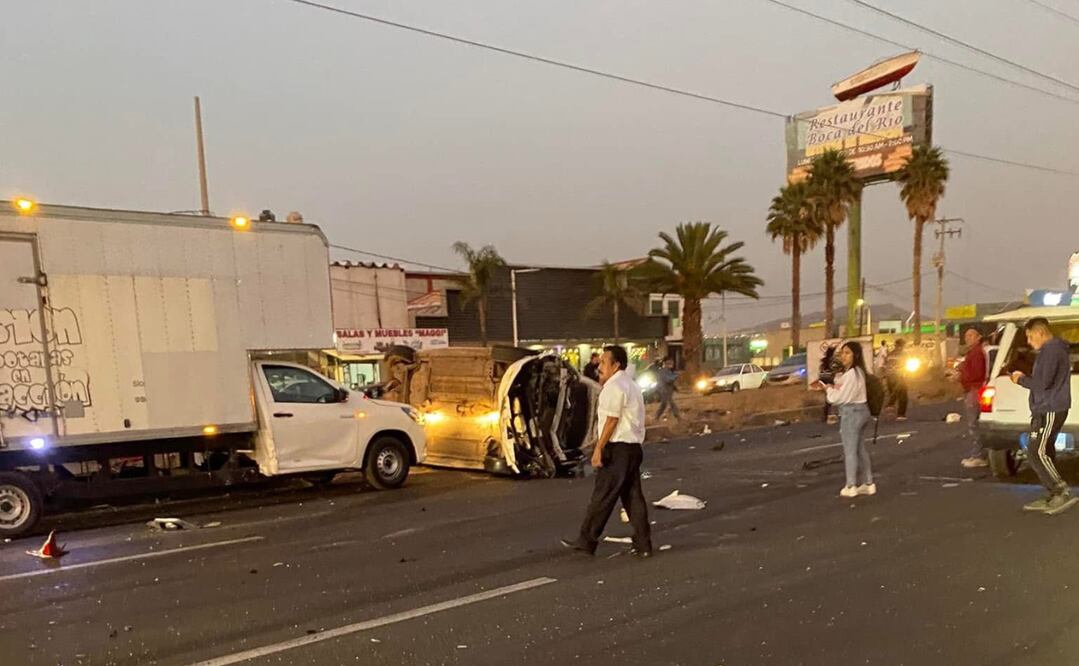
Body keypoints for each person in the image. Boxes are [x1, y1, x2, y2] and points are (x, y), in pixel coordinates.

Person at [562, 345, 653, 557]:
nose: (599, 366)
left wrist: (599, 449)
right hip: (633, 448)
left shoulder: (614, 386)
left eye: (604, 362)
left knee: (602, 496)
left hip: (618, 448)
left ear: (616, 364)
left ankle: (587, 540)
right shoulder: (630, 385)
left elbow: (612, 420)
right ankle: (643, 544)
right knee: (633, 497)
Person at [1011, 318, 1075, 514]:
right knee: (1043, 449)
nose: (1029, 342)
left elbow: (1042, 383)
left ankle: (1060, 491)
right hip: (1049, 407)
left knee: (1035, 451)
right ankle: (1052, 493)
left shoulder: (1051, 351)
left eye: (1030, 337)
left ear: (1040, 332)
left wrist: (1020, 379)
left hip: (1049, 408)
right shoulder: (1054, 350)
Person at [813, 341, 875, 498]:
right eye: (842, 353)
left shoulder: (850, 375)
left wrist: (827, 389)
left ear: (856, 355)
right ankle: (868, 483)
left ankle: (850, 485)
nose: (843, 356)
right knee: (860, 449)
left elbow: (839, 398)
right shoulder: (859, 372)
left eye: (848, 353)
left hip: (850, 413)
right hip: (863, 411)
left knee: (850, 450)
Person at [958, 329, 989, 469]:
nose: (968, 338)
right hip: (972, 390)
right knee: (974, 424)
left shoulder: (976, 353)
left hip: (974, 391)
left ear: (978, 337)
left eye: (971, 335)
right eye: (966, 336)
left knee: (974, 424)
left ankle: (979, 456)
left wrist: (959, 375)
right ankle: (977, 454)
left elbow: (976, 374)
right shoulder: (973, 352)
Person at [884, 339, 910, 421]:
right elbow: (906, 365)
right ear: (902, 345)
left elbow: (886, 364)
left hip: (889, 376)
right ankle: (900, 414)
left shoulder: (890, 354)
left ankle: (891, 408)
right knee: (903, 396)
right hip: (899, 376)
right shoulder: (903, 354)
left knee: (894, 392)